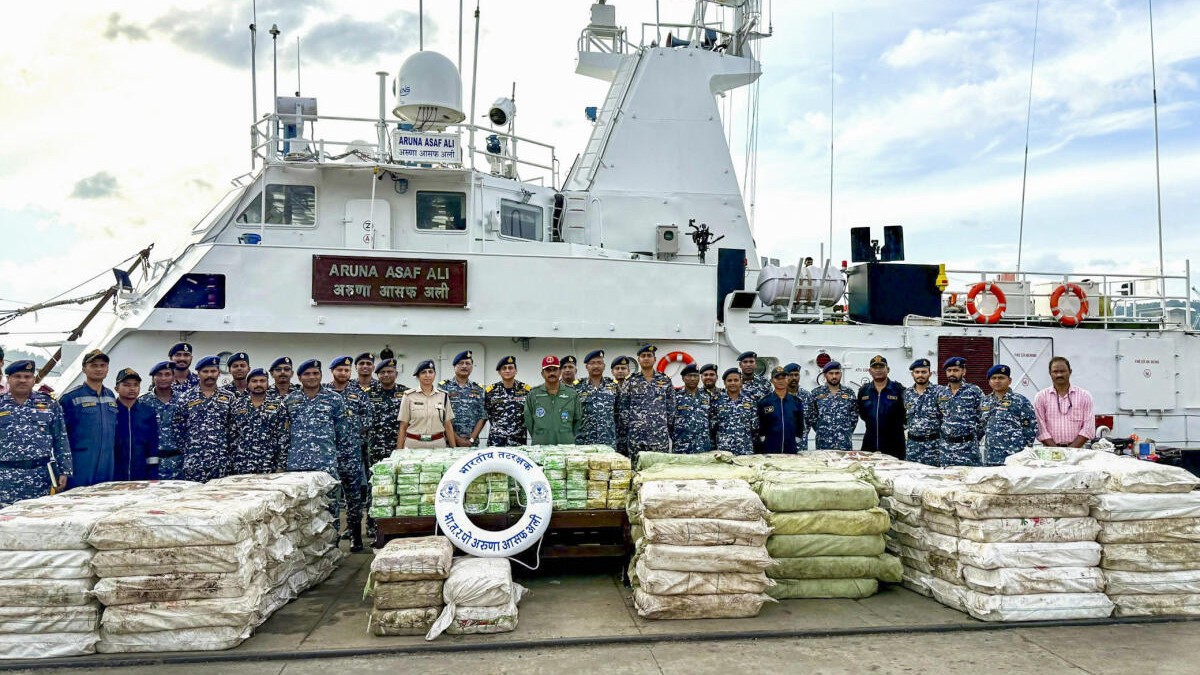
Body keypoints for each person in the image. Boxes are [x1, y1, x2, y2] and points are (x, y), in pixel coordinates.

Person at [285, 359, 355, 544]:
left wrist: (341, 462)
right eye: (307, 374)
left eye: (315, 373)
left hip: (326, 465)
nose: (312, 377)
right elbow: (283, 435)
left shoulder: (334, 399)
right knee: (299, 511)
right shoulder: (289, 400)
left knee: (329, 510)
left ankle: (332, 549)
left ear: (321, 376)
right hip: (296, 466)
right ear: (299, 377)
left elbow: (343, 434)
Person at [0, 360, 71, 506]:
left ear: (34, 379)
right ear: (8, 379)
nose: (22, 380)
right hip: (5, 478)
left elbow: (61, 439)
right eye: (17, 376)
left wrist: (64, 470)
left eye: (27, 376)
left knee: (39, 519)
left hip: (40, 476)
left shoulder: (49, 404)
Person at [324, 356, 369, 547]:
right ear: (332, 370)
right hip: (327, 452)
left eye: (347, 370)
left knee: (354, 498)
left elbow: (367, 420)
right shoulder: (323, 392)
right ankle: (330, 538)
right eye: (340, 369)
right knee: (329, 498)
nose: (343, 373)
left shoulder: (359, 392)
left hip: (351, 451)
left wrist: (348, 432)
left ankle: (356, 537)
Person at [173, 355, 237, 482]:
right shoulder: (186, 397)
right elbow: (178, 428)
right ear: (198, 373)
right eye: (205, 371)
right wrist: (190, 450)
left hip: (221, 463)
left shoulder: (229, 398)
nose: (209, 375)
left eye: (213, 371)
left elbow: (234, 429)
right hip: (194, 463)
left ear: (218, 373)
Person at [59, 349, 118, 487]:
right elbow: (60, 436)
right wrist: (63, 468)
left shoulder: (110, 396)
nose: (99, 369)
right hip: (80, 464)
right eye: (93, 365)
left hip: (107, 464)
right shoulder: (70, 397)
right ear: (84, 369)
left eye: (102, 365)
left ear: (107, 368)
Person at [618, 345, 676, 462]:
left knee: (659, 469)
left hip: (659, 436)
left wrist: (665, 427)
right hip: (636, 436)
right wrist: (629, 430)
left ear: (654, 359)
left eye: (649, 356)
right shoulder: (631, 381)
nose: (646, 358)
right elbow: (623, 408)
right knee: (636, 468)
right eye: (643, 356)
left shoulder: (665, 380)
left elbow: (671, 408)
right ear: (638, 359)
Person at [228, 368, 289, 475]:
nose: (258, 384)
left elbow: (283, 437)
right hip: (242, 464)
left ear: (268, 383)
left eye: (262, 381)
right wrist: (231, 463)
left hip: (269, 464)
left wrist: (281, 465)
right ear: (248, 384)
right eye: (254, 381)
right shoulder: (237, 405)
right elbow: (232, 436)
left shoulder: (278, 405)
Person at [979, 364, 1038, 466]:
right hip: (991, 457)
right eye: (993, 378)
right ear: (989, 381)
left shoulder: (1020, 401)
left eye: (1001, 378)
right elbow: (982, 426)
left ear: (1009, 381)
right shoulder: (985, 401)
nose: (997, 381)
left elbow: (1030, 428)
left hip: (1015, 458)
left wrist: (1024, 452)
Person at [1033, 356, 1095, 448]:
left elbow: (1088, 428)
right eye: (1055, 372)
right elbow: (1041, 428)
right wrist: (1057, 451)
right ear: (1050, 373)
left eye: (1062, 371)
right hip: (1050, 451)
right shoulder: (1041, 397)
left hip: (1078, 451)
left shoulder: (1085, 396)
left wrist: (1071, 450)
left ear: (1070, 372)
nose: (1059, 375)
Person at [397, 360, 456, 450]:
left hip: (438, 444)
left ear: (434, 375)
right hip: (414, 444)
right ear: (418, 376)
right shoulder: (409, 396)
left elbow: (448, 424)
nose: (427, 375)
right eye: (423, 372)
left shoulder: (443, 396)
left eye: (430, 372)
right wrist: (399, 451)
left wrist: (454, 449)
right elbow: (403, 426)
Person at [113, 368, 159, 481]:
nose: (132, 388)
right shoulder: (110, 411)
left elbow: (153, 446)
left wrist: (153, 474)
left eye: (136, 385)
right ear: (117, 388)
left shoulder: (148, 412)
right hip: (114, 473)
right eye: (127, 385)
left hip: (141, 474)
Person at [936, 356, 984, 467]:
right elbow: (939, 417)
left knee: (971, 481)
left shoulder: (974, 391)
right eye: (949, 371)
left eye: (956, 370)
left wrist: (975, 436)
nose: (952, 373)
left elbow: (983, 417)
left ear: (963, 371)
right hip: (946, 449)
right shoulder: (941, 393)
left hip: (968, 448)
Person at [857, 355, 907, 459]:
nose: (878, 370)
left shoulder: (898, 390)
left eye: (881, 367)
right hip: (870, 443)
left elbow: (905, 415)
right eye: (875, 368)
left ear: (887, 369)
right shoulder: (864, 391)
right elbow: (863, 414)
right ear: (870, 371)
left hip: (894, 445)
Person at [524, 356, 582, 444]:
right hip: (541, 444)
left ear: (559, 372)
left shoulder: (572, 394)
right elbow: (529, 421)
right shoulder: (533, 394)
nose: (552, 373)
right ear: (542, 373)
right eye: (548, 370)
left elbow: (578, 420)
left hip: (565, 444)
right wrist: (540, 435)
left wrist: (568, 435)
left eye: (554, 369)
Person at [140, 361, 183, 479]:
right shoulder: (142, 402)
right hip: (151, 463)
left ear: (173, 377)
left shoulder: (183, 400)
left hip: (178, 462)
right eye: (159, 374)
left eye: (167, 374)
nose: (163, 378)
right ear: (153, 378)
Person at [366, 358, 408, 465]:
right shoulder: (368, 394)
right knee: (375, 477)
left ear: (396, 374)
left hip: (400, 444)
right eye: (382, 372)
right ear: (377, 375)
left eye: (389, 372)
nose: (386, 375)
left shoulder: (406, 393)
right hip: (375, 445)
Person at [757, 366, 807, 454]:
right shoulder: (765, 401)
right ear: (772, 380)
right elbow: (761, 422)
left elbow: (800, 422)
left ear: (787, 379)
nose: (781, 381)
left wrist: (798, 438)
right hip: (770, 446)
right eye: (777, 378)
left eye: (783, 378)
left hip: (790, 446)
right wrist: (762, 437)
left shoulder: (796, 402)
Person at [809, 361, 858, 450]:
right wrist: (822, 430)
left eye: (837, 373)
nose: (834, 376)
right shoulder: (816, 393)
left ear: (841, 374)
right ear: (824, 375)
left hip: (844, 443)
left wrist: (845, 431)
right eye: (831, 373)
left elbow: (854, 417)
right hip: (823, 443)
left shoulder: (849, 392)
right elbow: (813, 417)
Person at [441, 351, 486, 447]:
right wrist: (456, 439)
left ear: (472, 367)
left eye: (468, 363)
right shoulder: (443, 387)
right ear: (454, 366)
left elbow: (483, 416)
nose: (464, 366)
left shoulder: (479, 389)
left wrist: (471, 439)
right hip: (449, 442)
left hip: (471, 443)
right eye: (461, 363)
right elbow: (441, 416)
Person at [483, 355, 531, 447]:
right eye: (504, 368)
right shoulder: (490, 391)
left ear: (516, 371)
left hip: (518, 440)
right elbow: (485, 414)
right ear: (499, 372)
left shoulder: (526, 391)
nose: (507, 370)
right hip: (496, 440)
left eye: (510, 368)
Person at [576, 349, 619, 447]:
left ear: (604, 366)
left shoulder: (614, 386)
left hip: (608, 442)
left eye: (599, 363)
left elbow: (619, 414)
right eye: (592, 363)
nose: (596, 366)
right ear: (587, 366)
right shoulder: (577, 387)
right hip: (584, 443)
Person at [902, 359, 941, 465]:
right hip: (913, 447)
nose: (920, 375)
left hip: (934, 447)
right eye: (917, 372)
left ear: (930, 373)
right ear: (912, 374)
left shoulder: (940, 392)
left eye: (924, 372)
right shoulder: (906, 394)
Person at [711, 368, 757, 455]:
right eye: (729, 380)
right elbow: (713, 427)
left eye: (736, 380)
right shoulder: (716, 401)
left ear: (741, 382)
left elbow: (755, 428)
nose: (732, 383)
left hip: (745, 450)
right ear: (725, 383)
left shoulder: (750, 401)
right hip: (723, 451)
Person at [672, 363, 713, 454]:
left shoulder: (707, 396)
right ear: (683, 378)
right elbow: (670, 422)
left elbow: (712, 421)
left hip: (703, 447)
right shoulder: (675, 396)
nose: (693, 379)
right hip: (682, 447)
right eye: (689, 376)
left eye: (695, 376)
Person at [783, 363, 814, 449]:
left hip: (801, 444)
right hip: (782, 444)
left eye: (796, 375)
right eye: (790, 375)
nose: (794, 378)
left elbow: (810, 420)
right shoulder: (778, 395)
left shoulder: (807, 395)